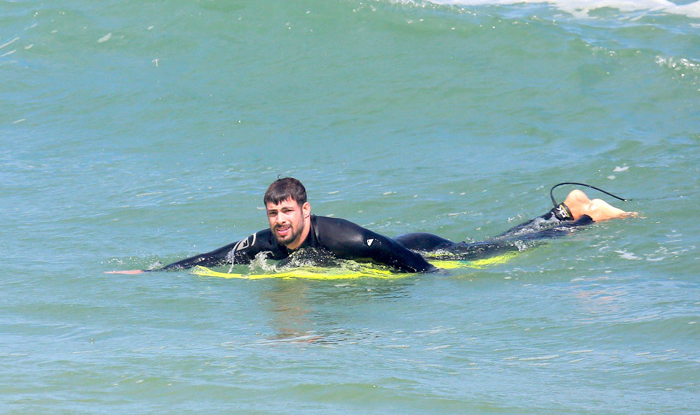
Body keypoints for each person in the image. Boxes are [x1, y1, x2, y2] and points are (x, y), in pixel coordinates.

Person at [107, 177, 636, 275]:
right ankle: (567, 209)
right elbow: (216, 256)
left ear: (306, 210)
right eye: (273, 214)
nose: (280, 222)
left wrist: (436, 277)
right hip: (395, 247)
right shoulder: (267, 242)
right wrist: (153, 273)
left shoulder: (338, 235)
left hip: (415, 249)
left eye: (287, 212)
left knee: (488, 251)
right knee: (492, 242)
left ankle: (577, 218)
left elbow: (389, 254)